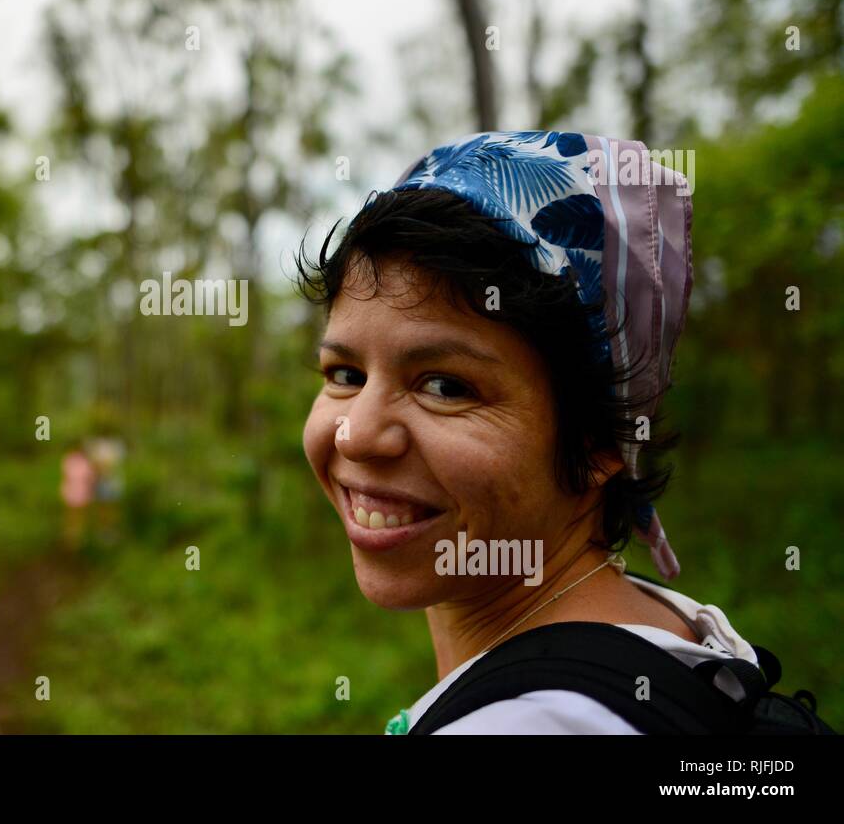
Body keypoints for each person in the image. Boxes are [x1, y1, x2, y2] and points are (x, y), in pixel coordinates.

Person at [295, 131, 826, 734]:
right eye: (345, 373)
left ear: (600, 439)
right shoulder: (663, 635)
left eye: (445, 386)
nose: (356, 436)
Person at [60, 444, 95, 552]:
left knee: (78, 514)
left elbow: (90, 478)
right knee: (73, 514)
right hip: (74, 489)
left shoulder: (82, 461)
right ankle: (72, 534)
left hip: (80, 490)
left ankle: (77, 534)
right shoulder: (70, 460)